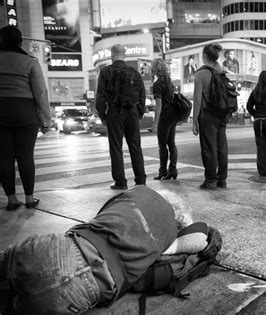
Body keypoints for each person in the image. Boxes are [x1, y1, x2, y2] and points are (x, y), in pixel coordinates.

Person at [0, 186, 210, 314]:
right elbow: (199, 239)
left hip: (56, 248)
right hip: (83, 289)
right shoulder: (169, 238)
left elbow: (101, 214)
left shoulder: (140, 192)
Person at [0, 26, 51, 211]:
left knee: (4, 158)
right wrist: (46, 120)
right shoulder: (30, 62)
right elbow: (41, 93)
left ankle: (12, 200)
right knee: (26, 156)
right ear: (20, 42)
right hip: (25, 113)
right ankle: (29, 198)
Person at [96, 44, 147, 190]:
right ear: (124, 55)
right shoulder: (134, 72)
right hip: (132, 112)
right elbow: (142, 95)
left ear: (112, 55)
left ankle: (120, 182)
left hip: (115, 112)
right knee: (135, 146)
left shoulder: (106, 72)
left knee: (116, 148)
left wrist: (103, 116)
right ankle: (140, 180)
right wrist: (139, 113)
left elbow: (100, 97)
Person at [193, 43, 229, 190]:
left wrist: (194, 120)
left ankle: (210, 180)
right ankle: (222, 180)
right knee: (222, 147)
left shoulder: (201, 74)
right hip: (222, 114)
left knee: (209, 148)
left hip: (207, 115)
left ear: (205, 56)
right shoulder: (221, 71)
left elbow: (197, 100)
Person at [151, 59, 180, 180]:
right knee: (172, 144)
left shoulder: (157, 85)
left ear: (155, 70)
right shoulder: (169, 82)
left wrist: (155, 123)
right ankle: (172, 169)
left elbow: (159, 104)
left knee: (162, 145)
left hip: (164, 117)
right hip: (173, 116)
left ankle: (162, 170)